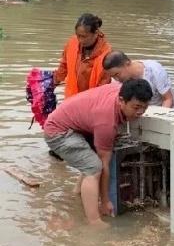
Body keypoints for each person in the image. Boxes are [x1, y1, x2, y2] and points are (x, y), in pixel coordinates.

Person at [44, 79, 152, 226]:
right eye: (136, 107)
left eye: (144, 108)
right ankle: (94, 221)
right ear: (121, 100)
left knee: (90, 162)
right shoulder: (106, 121)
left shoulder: (122, 90)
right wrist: (106, 201)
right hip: (58, 132)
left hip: (72, 124)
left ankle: (77, 195)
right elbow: (104, 164)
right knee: (94, 168)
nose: (140, 112)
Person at [54, 13, 112, 97]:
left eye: (84, 37)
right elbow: (64, 66)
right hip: (71, 99)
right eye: (78, 36)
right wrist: (53, 82)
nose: (80, 40)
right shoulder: (72, 43)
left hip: (92, 101)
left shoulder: (106, 54)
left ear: (96, 33)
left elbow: (104, 85)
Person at [102, 51, 174, 108]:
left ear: (127, 63)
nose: (116, 79)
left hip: (168, 111)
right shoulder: (116, 80)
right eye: (113, 77)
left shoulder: (154, 70)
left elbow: (168, 99)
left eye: (117, 74)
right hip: (141, 112)